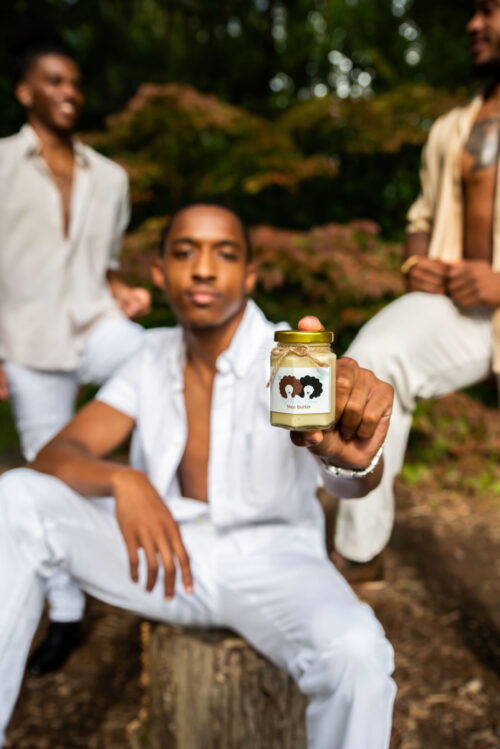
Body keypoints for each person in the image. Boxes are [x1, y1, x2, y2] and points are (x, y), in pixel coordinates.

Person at [0, 204, 396, 748]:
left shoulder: (289, 357)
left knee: (358, 654)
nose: (204, 269)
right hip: (165, 558)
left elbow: (349, 480)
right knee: (17, 496)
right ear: (160, 272)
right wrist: (124, 481)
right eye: (185, 252)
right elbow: (56, 453)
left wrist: (352, 458)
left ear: (249, 275)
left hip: (276, 564)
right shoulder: (151, 356)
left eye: (224, 254)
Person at [332, 0, 500, 583]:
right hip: (458, 311)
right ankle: (361, 550)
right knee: (373, 360)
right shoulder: (453, 128)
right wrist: (415, 259)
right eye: (472, 11)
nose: (472, 24)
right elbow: (421, 215)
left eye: (489, 10)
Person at [0, 39, 151, 672]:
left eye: (75, 83)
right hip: (26, 339)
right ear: (25, 92)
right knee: (46, 471)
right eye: (54, 81)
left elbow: (104, 263)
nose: (68, 92)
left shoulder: (110, 177)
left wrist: (123, 291)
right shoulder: (2, 165)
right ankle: (65, 615)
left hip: (96, 324)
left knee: (157, 365)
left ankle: (168, 512)